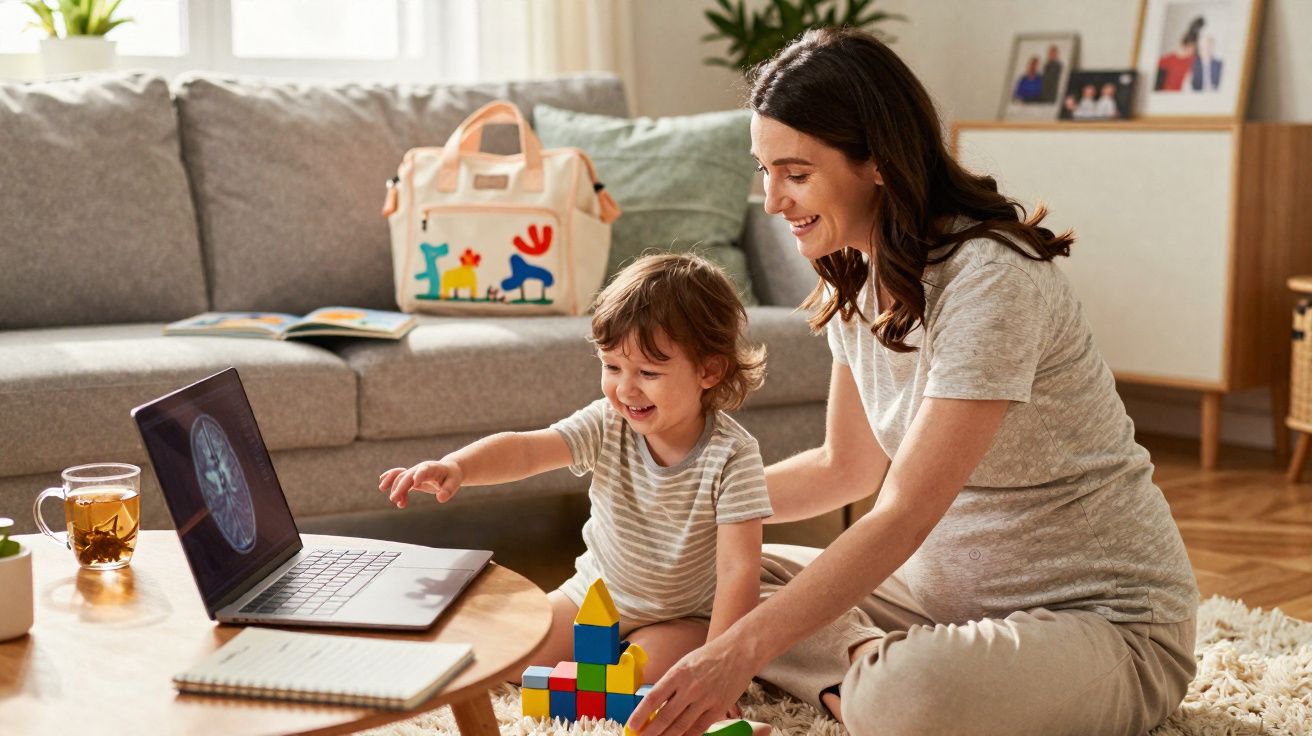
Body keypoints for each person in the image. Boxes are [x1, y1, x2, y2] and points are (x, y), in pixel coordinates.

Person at [627, 27, 1198, 736]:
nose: (771, 201)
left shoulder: (991, 279)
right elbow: (846, 468)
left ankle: (871, 686)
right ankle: (866, 678)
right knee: (717, 568)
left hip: (1105, 624)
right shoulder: (857, 277)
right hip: (932, 604)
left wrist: (742, 648)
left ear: (878, 163)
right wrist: (682, 502)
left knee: (914, 695)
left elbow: (900, 513)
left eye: (795, 173)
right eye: (764, 170)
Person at [378, 252, 772, 702]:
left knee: (645, 684)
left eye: (648, 372)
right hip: (593, 596)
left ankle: (632, 663)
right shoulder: (607, 422)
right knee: (510, 659)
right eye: (612, 367)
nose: (626, 389)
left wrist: (720, 668)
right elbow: (528, 450)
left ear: (709, 370)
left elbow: (739, 571)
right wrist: (458, 467)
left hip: (682, 617)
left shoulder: (734, 456)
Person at [1157, 16, 1204, 91]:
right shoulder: (1169, 59)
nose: (1190, 50)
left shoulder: (1194, 61)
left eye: (1192, 47)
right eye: (1188, 46)